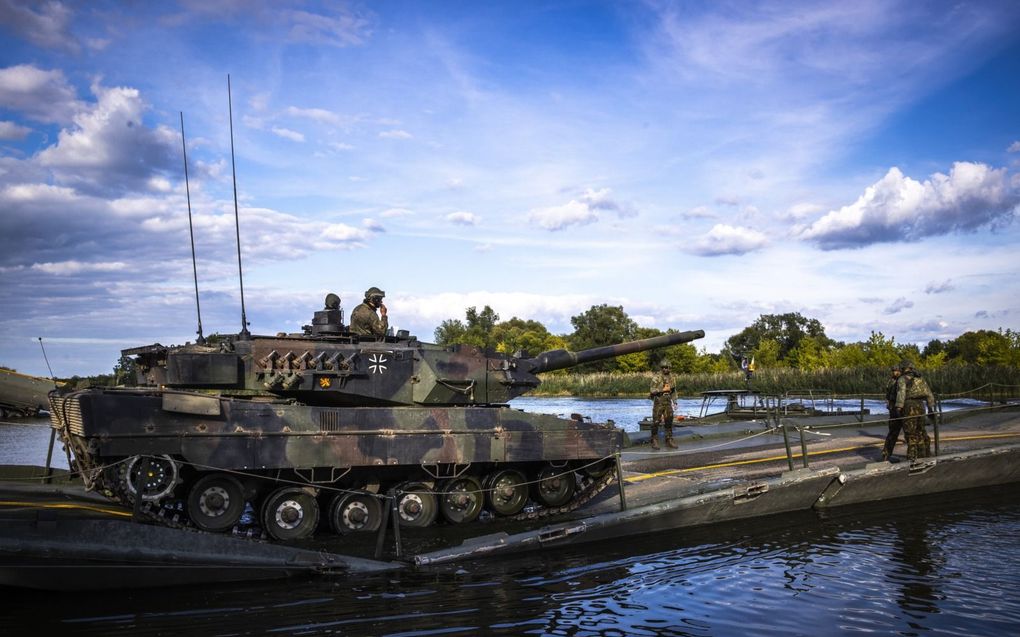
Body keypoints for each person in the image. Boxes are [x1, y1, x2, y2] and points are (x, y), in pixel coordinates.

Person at [894, 359, 936, 460]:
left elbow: (901, 394)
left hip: (909, 405)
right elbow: (929, 394)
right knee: (920, 431)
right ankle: (923, 455)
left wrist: (898, 408)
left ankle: (912, 457)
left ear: (904, 368)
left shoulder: (902, 379)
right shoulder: (920, 379)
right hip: (921, 405)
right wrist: (931, 408)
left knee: (910, 433)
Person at [649, 361, 678, 450]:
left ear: (670, 368)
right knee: (656, 421)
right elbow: (652, 390)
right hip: (659, 401)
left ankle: (669, 439)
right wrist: (662, 389)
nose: (665, 369)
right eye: (663, 367)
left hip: (668, 400)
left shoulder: (672, 378)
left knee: (669, 420)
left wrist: (675, 401)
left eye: (666, 367)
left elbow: (673, 390)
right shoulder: (656, 377)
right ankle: (654, 440)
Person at [881, 364, 903, 461]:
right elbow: (888, 395)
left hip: (901, 407)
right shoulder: (892, 381)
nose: (894, 372)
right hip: (894, 408)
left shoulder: (901, 380)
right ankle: (886, 455)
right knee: (893, 433)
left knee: (910, 434)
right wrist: (889, 405)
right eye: (893, 371)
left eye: (896, 370)